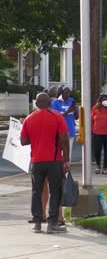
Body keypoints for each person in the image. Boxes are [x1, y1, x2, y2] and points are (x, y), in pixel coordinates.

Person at [21, 93, 70, 234]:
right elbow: (64, 139)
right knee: (56, 191)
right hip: (54, 160)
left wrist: (36, 138)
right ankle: (52, 222)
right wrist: (66, 159)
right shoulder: (57, 117)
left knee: (36, 191)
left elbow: (23, 141)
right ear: (49, 102)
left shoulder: (29, 119)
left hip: (36, 160)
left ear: (36, 103)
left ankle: (37, 222)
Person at [50, 86, 78, 160]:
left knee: (68, 151)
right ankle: (59, 168)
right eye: (66, 92)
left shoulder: (71, 101)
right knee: (60, 151)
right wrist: (67, 111)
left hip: (70, 130)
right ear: (61, 93)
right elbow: (55, 118)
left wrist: (76, 109)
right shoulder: (55, 103)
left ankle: (67, 169)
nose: (68, 94)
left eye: (69, 93)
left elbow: (76, 117)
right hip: (60, 131)